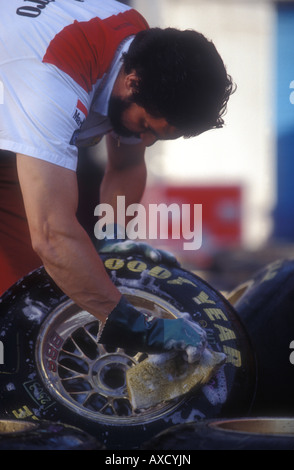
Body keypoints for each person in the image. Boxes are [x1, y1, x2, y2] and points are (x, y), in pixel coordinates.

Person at [0, 0, 234, 362]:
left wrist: (114, 236)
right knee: (28, 285)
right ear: (131, 82)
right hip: (28, 77)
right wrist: (132, 325)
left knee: (33, 297)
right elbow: (51, 235)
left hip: (13, 128)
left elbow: (125, 165)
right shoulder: (51, 81)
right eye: (145, 127)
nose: (145, 141)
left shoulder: (139, 44)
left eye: (159, 136)